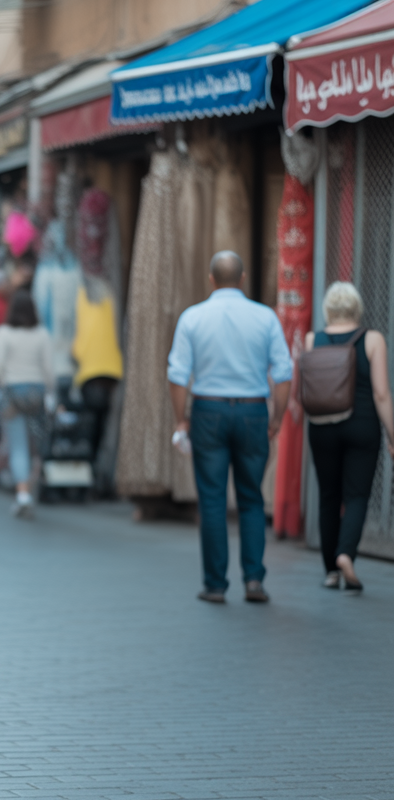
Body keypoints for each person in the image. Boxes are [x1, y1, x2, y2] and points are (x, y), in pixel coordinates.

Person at [168, 251, 292, 604]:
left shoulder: (192, 317)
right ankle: (254, 580)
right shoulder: (265, 317)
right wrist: (277, 417)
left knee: (212, 500)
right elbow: (283, 373)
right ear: (242, 278)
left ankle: (215, 585)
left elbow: (177, 375)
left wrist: (182, 418)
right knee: (252, 498)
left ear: (211, 279)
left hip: (208, 410)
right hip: (253, 411)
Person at [306, 282, 394, 592]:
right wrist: (392, 434)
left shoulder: (311, 339)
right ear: (357, 308)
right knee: (356, 495)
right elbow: (382, 393)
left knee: (328, 495)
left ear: (328, 308)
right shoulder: (372, 339)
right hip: (362, 426)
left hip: (321, 425)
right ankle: (346, 554)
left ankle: (331, 571)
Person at [0, 289, 57, 517]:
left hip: (13, 392)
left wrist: (4, 386)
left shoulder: (3, 333)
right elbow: (49, 370)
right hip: (37, 392)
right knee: (37, 443)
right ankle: (32, 484)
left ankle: (23, 494)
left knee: (17, 444)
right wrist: (50, 393)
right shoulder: (42, 334)